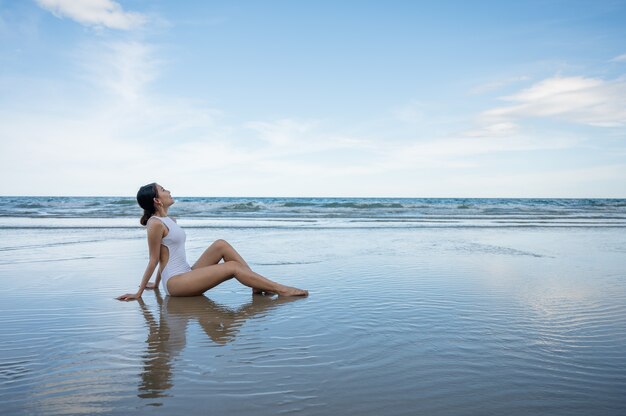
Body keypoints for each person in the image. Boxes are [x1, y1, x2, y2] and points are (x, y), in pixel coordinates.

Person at [117, 183, 308, 301]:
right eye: (163, 189)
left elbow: (164, 255)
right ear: (157, 200)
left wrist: (156, 284)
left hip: (185, 274)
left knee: (221, 244)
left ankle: (257, 286)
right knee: (232, 267)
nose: (169, 191)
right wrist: (139, 292)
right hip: (176, 284)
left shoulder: (170, 221)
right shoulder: (154, 224)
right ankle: (281, 289)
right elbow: (154, 259)